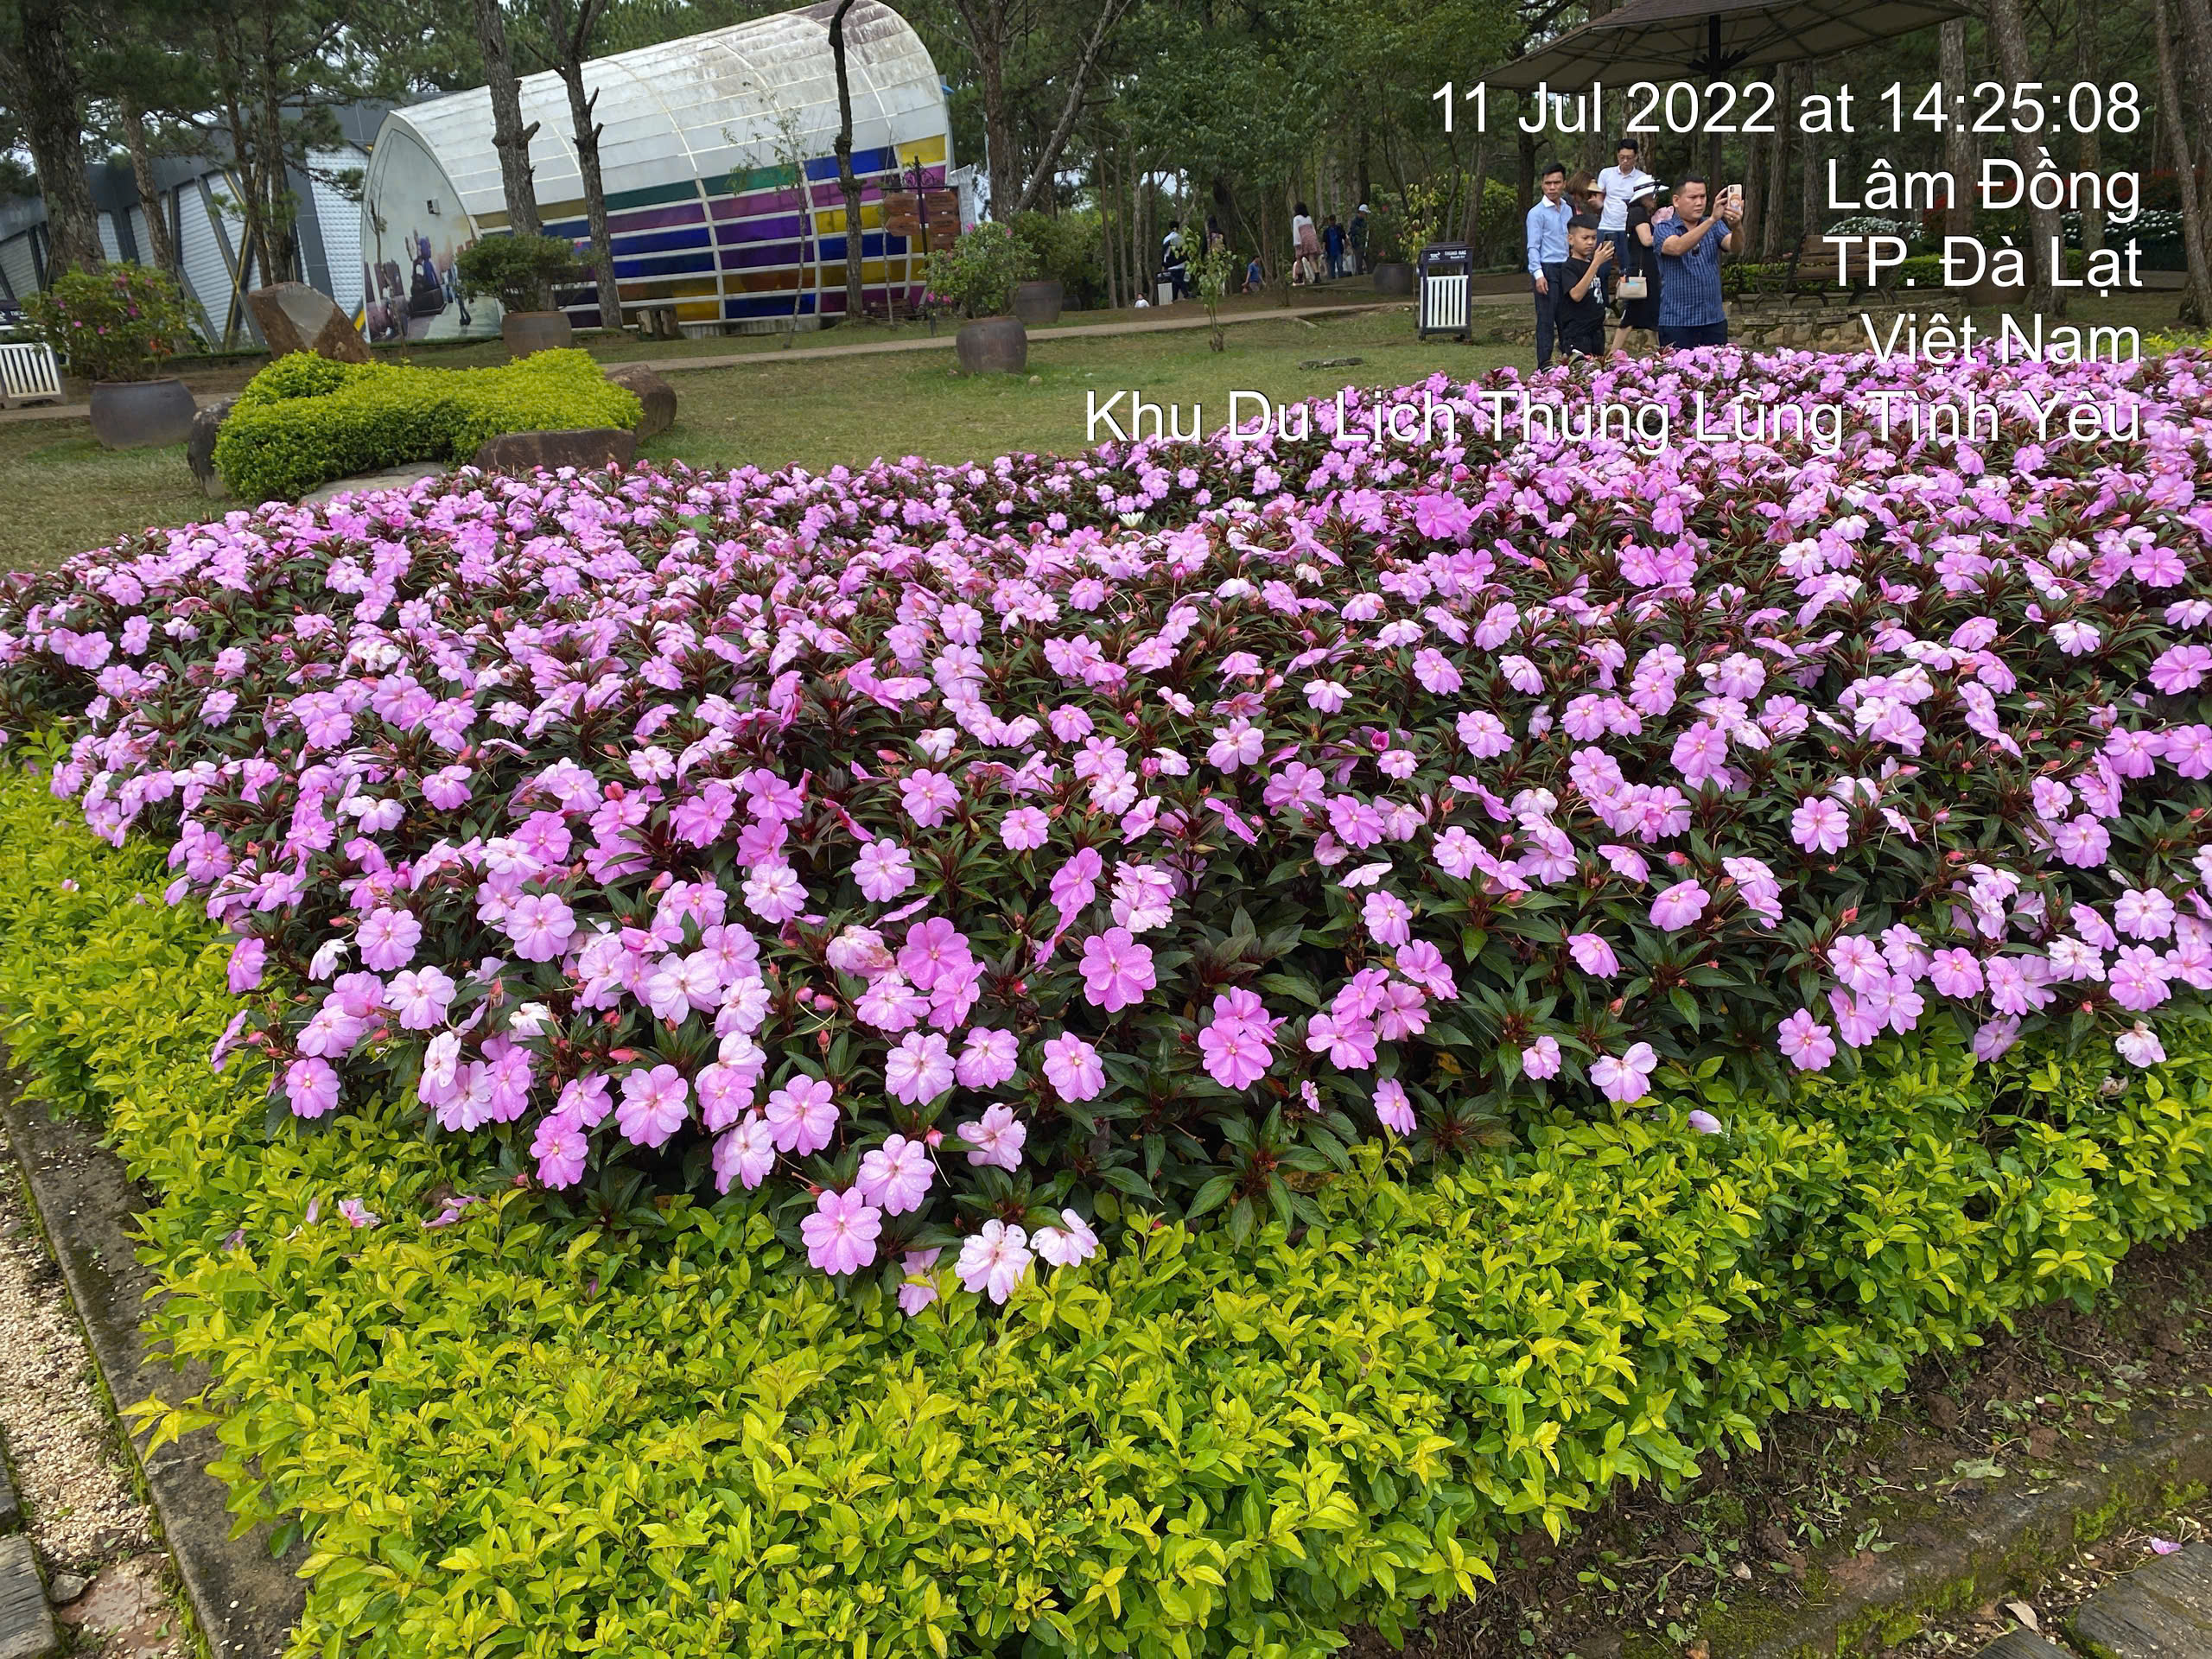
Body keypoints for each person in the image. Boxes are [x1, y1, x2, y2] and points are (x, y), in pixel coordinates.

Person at [1656, 175, 1740, 349]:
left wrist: (1737, 226)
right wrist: (1711, 220)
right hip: (1678, 322)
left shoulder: (1715, 226)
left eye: (1703, 196)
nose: (1699, 202)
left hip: (1713, 320)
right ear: (1676, 200)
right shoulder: (1664, 228)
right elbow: (1677, 247)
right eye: (1693, 197)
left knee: (1718, 367)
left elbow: (1736, 247)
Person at [1523, 162, 1573, 370]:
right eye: (1548, 183)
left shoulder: (1568, 209)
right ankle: (1544, 365)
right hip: (1547, 268)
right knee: (1546, 319)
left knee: (1567, 317)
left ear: (1564, 184)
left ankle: (1568, 361)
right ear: (1542, 185)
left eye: (1556, 183)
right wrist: (1538, 274)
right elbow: (1533, 246)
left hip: (1566, 267)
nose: (1552, 187)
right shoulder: (1537, 213)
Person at [1610, 177, 1666, 354]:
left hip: (1645, 271)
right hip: (1641, 273)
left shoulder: (1640, 213)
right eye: (1653, 196)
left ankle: (1663, 353)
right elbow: (1647, 240)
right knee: (1631, 315)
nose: (1655, 200)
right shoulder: (1638, 213)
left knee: (1653, 315)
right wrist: (1667, 233)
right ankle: (1611, 355)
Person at [1593, 138, 1652, 283]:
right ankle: (1602, 297)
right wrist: (1596, 204)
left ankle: (1631, 297)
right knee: (1602, 268)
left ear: (1636, 157)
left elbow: (1647, 203)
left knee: (1629, 267)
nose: (1625, 161)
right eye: (1622, 157)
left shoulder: (1642, 178)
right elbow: (1600, 198)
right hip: (1606, 226)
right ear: (1617, 155)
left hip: (1628, 228)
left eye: (1629, 158)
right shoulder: (1606, 173)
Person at [1557, 214, 1612, 359]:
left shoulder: (1593, 264)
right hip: (1578, 334)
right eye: (1585, 238)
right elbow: (1576, 295)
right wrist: (1596, 263)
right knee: (1582, 371)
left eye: (1594, 238)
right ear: (1571, 239)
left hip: (1597, 331)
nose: (1590, 242)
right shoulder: (1569, 267)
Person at [1291, 201, 1323, 285]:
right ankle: (1317, 275)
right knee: (1311, 258)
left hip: (1303, 238)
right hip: (1312, 238)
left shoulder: (1296, 219)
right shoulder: (1308, 218)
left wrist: (1297, 243)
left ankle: (1299, 277)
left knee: (1299, 258)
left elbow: (1296, 231)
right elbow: (1313, 229)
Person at [1323, 213, 1346, 280]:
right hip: (1330, 252)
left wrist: (1347, 246)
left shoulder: (1339, 229)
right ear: (1329, 221)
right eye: (1331, 220)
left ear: (1335, 221)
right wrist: (1323, 250)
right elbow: (1324, 241)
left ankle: (1341, 279)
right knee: (1331, 268)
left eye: (1333, 220)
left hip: (1339, 250)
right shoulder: (1326, 231)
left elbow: (1345, 237)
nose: (1332, 222)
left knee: (1340, 266)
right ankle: (1333, 280)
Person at [1350, 204, 1370, 274]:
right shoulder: (1354, 222)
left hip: (1365, 243)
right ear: (1361, 212)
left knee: (1368, 260)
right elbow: (1354, 231)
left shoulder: (1364, 221)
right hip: (1357, 244)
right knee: (1359, 262)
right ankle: (1360, 275)